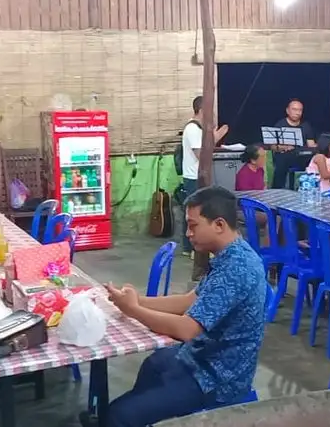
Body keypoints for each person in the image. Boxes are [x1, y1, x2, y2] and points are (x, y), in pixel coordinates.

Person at [101, 187, 266, 427]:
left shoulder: (237, 268)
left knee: (118, 415)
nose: (188, 233)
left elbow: (186, 330)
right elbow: (190, 300)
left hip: (218, 378)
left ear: (219, 225)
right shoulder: (229, 255)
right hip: (203, 357)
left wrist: (133, 310)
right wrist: (137, 300)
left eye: (193, 225)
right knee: (154, 364)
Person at [180, 95, 230, 256]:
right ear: (202, 111)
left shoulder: (198, 129)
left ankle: (190, 248)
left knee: (194, 213)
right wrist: (216, 136)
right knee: (196, 214)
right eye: (210, 112)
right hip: (194, 177)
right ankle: (191, 248)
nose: (213, 116)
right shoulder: (193, 129)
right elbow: (200, 154)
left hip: (196, 175)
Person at [269, 99, 317, 189]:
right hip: (284, 156)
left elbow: (311, 144)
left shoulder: (306, 125)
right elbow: (273, 146)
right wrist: (282, 147)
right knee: (282, 160)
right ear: (287, 111)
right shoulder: (280, 124)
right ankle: (277, 189)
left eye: (300, 110)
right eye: (294, 109)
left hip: (301, 156)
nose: (297, 112)